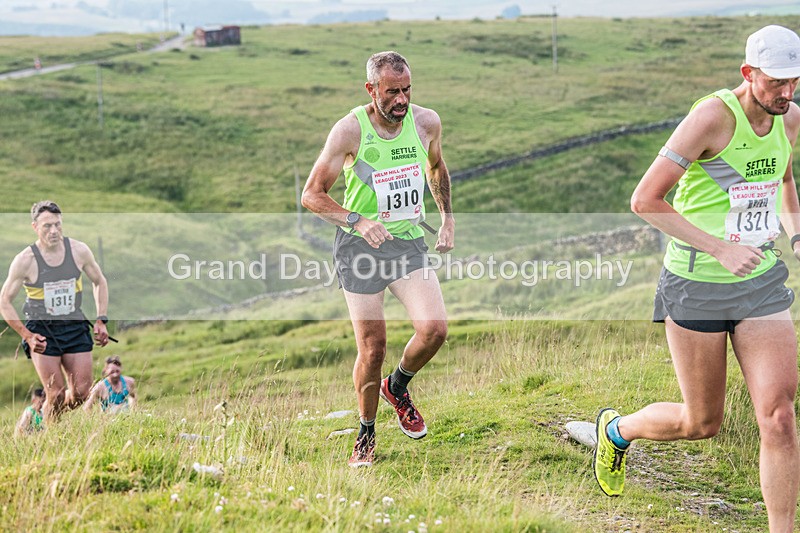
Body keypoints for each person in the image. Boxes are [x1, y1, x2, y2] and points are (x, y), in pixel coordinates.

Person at [594, 25, 800, 532]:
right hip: (696, 285)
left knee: (779, 418)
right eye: (776, 81)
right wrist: (720, 249)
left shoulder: (789, 119)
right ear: (748, 73)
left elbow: (782, 179)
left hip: (760, 285)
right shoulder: (711, 117)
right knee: (701, 422)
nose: (787, 92)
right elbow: (645, 200)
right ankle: (617, 431)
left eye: (794, 81)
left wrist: (796, 236)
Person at [302, 51, 455, 467]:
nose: (401, 100)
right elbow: (311, 195)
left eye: (407, 90)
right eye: (392, 92)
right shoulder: (349, 131)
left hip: (406, 242)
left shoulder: (426, 123)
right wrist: (357, 220)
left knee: (435, 329)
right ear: (371, 90)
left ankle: (397, 386)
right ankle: (366, 432)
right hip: (360, 248)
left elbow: (436, 168)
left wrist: (447, 218)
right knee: (373, 349)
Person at [0, 201, 110, 421]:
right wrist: (27, 336)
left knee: (82, 393)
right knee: (56, 394)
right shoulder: (25, 260)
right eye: (47, 226)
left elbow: (99, 281)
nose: (54, 231)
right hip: (42, 330)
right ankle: (50, 431)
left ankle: (45, 414)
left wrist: (101, 320)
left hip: (74, 324)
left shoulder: (79, 251)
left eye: (58, 225)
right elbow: (4, 301)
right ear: (35, 227)